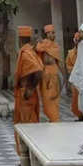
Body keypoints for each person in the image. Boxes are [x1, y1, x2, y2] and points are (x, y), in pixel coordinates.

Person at [13, 26, 43, 158]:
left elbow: (38, 71)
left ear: (20, 39)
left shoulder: (26, 53)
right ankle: (25, 158)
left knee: (28, 128)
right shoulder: (28, 51)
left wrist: (30, 89)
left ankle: (31, 158)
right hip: (24, 94)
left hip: (26, 95)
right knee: (22, 126)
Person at [35, 24, 64, 123]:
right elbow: (38, 49)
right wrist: (41, 43)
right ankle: (51, 117)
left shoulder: (55, 46)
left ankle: (55, 118)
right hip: (45, 72)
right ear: (47, 34)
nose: (53, 35)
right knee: (46, 97)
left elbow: (58, 61)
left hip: (54, 72)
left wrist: (64, 76)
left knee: (54, 96)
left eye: (54, 33)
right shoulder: (43, 43)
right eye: (52, 33)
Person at [66, 32, 83, 121]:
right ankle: (79, 116)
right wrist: (75, 69)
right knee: (75, 98)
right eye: (76, 40)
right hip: (75, 79)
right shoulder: (70, 53)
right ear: (74, 41)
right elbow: (68, 65)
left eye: (79, 40)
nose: (77, 42)